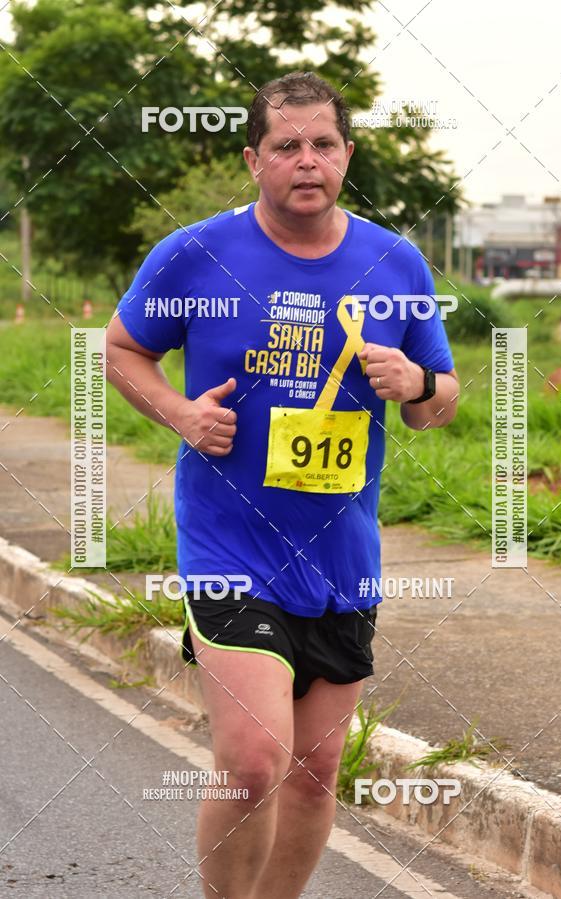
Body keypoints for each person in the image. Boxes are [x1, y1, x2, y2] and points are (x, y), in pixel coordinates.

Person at [106, 71, 459, 899]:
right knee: (254, 759)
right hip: (229, 544)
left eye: (323, 144)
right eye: (287, 145)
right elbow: (122, 349)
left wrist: (415, 383)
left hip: (342, 554)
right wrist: (181, 415)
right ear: (254, 159)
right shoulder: (197, 252)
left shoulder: (394, 260)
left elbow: (439, 401)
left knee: (315, 769)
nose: (308, 160)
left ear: (346, 154)